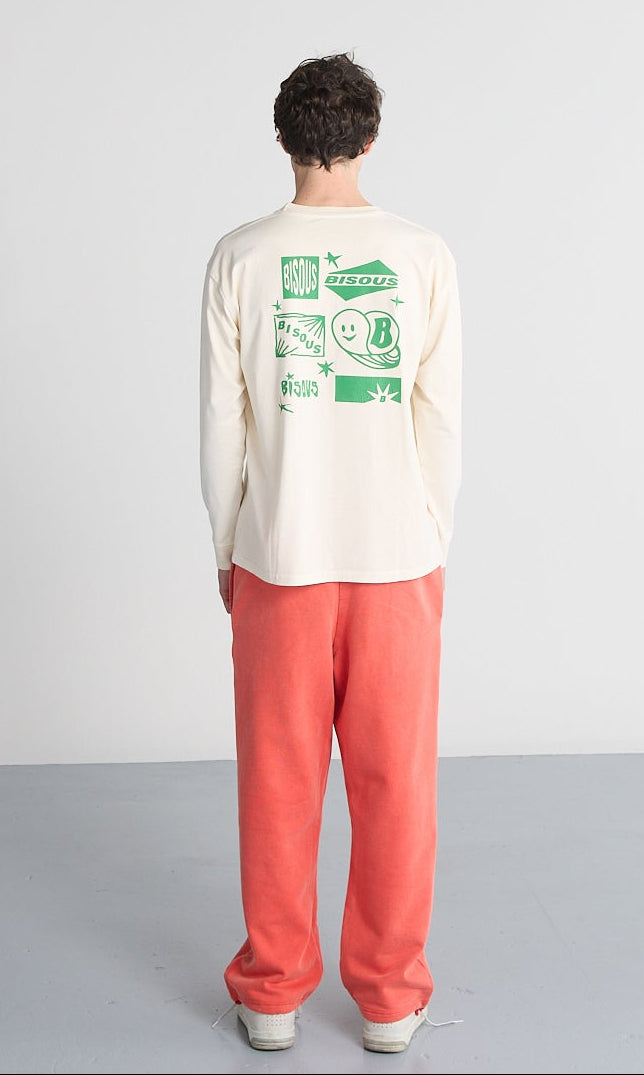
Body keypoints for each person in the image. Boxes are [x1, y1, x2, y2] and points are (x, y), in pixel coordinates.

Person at [198, 52, 463, 1054]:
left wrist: (227, 543)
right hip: (398, 559)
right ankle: (389, 999)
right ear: (369, 137)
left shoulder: (240, 257)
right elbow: (440, 418)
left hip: (280, 556)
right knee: (397, 783)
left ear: (283, 138)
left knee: (278, 779)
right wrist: (429, 535)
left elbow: (220, 425)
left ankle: (272, 992)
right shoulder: (423, 254)